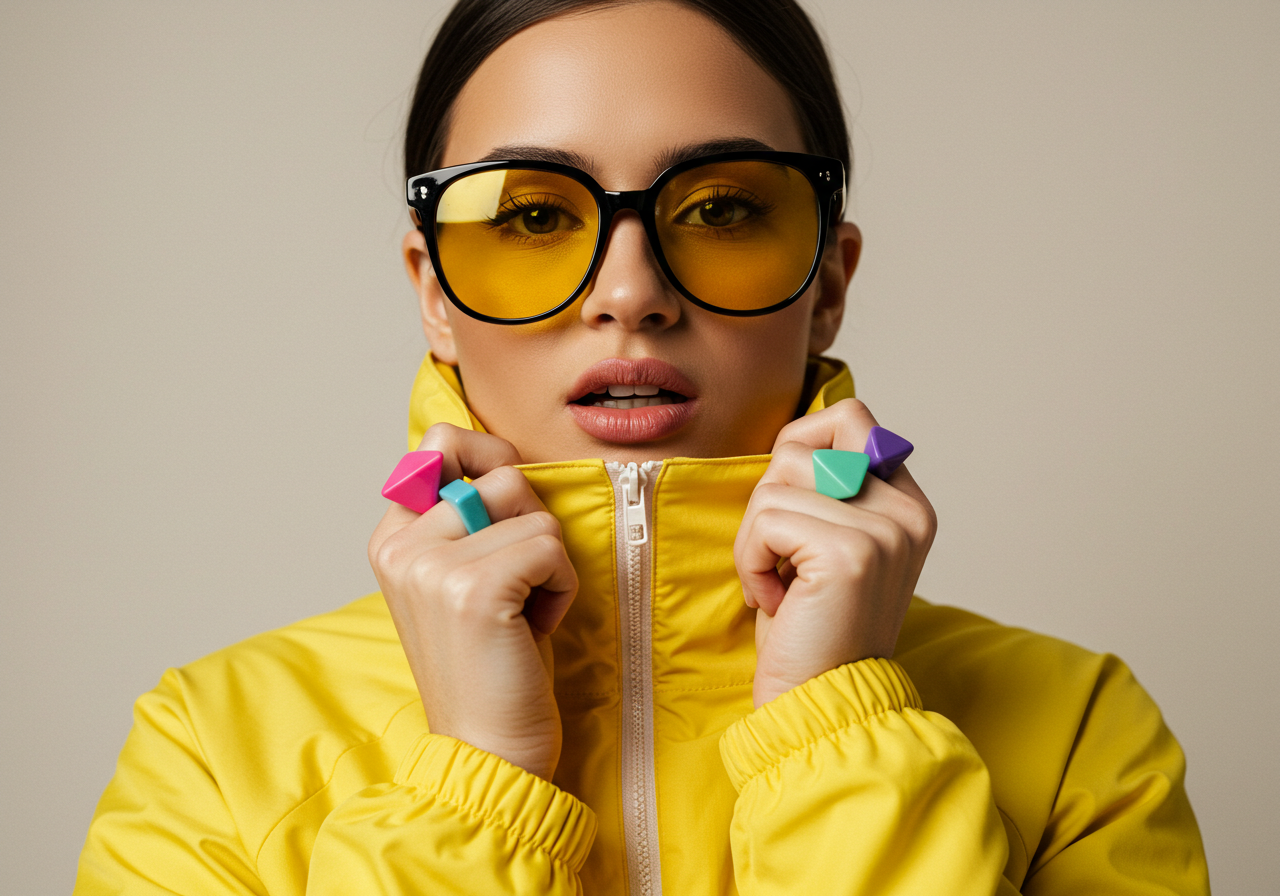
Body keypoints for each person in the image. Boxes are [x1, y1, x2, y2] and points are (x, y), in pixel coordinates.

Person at [75, 1, 1210, 893]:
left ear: (827, 284)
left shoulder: (1071, 733)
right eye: (529, 214)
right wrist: (471, 777)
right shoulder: (211, 749)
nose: (629, 292)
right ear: (431, 290)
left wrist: (840, 731)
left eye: (719, 209)